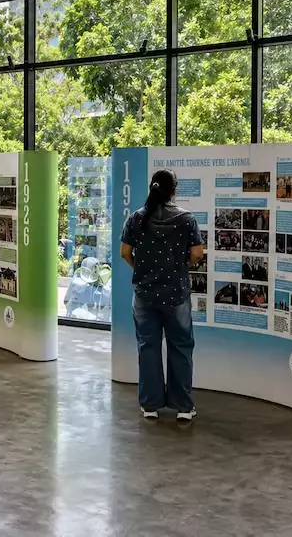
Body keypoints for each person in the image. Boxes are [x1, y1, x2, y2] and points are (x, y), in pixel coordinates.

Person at [121, 169, 204, 423]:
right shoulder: (186, 219)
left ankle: (150, 405)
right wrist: (180, 266)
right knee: (180, 347)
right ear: (173, 190)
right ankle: (183, 407)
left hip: (144, 295)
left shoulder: (135, 218)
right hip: (176, 294)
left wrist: (141, 269)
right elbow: (197, 253)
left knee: (148, 347)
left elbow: (125, 252)